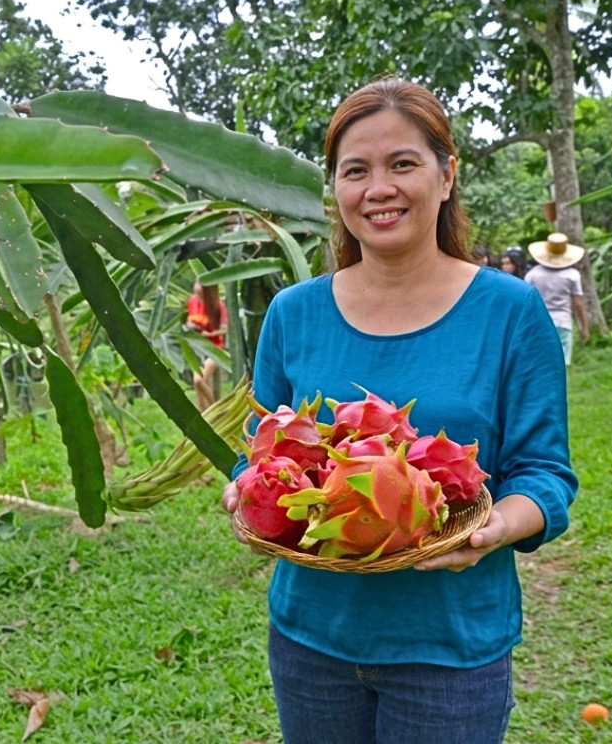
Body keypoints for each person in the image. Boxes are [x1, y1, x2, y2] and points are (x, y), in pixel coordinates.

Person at [220, 78, 577, 744]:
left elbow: (546, 476)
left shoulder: (509, 312)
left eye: (403, 164)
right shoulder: (292, 314)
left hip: (449, 648)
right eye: (356, 171)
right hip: (311, 638)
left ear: (446, 176)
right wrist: (244, 488)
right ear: (337, 190)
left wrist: (492, 528)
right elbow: (260, 454)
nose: (378, 188)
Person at [525, 233, 589, 366]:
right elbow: (578, 303)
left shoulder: (532, 274)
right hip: (562, 322)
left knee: (540, 363)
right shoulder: (572, 275)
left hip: (538, 322)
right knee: (561, 365)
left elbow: (525, 302)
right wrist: (583, 327)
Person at [184, 280, 227, 409]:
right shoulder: (191, 302)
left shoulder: (219, 306)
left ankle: (217, 408)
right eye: (196, 293)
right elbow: (188, 319)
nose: (198, 297)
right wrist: (189, 326)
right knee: (200, 386)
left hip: (214, 349)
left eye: (201, 294)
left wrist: (208, 334)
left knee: (198, 381)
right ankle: (205, 418)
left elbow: (225, 328)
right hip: (196, 348)